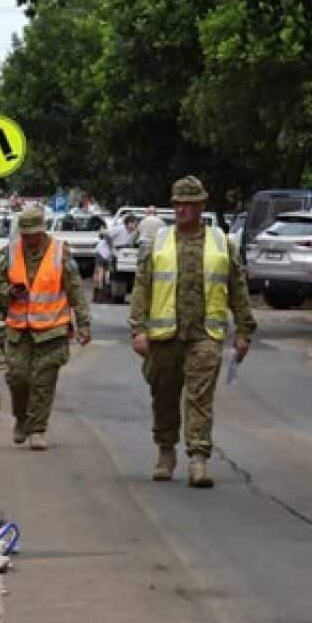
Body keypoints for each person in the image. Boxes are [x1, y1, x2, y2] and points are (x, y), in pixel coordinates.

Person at [128, 176, 257, 488]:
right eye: (178, 204)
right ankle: (165, 452)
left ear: (202, 206)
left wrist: (244, 330)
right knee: (164, 396)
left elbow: (237, 289)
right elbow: (141, 288)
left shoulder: (221, 242)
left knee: (199, 398)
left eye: (189, 203)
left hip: (204, 334)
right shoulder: (158, 241)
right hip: (164, 337)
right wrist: (138, 330)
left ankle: (198, 458)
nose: (183, 209)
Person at [0, 204, 92, 450]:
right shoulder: (10, 252)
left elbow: (75, 288)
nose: (28, 239)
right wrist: (8, 292)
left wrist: (83, 324)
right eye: (24, 234)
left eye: (33, 234)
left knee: (42, 381)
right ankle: (22, 419)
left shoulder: (59, 252)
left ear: (42, 230)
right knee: (18, 377)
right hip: (19, 329)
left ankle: (38, 429)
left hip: (51, 329)